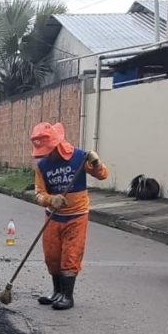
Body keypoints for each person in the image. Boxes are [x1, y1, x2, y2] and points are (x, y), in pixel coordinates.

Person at [31, 122, 108, 310]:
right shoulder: (42, 166)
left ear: (57, 145)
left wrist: (96, 162)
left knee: (70, 255)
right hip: (53, 217)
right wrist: (51, 200)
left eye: (48, 150)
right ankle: (57, 291)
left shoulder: (79, 157)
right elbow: (39, 194)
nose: (46, 154)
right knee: (52, 256)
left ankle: (67, 295)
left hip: (76, 216)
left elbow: (103, 175)